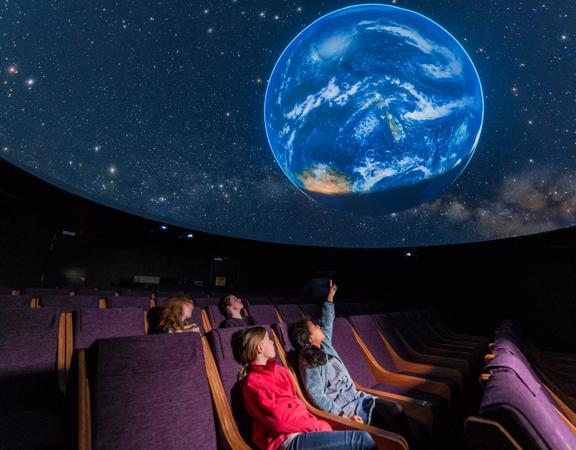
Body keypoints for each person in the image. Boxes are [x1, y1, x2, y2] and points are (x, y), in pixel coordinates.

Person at [289, 280, 416, 445]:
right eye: (314, 326)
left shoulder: (323, 344)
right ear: (309, 338)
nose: (319, 326)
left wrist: (330, 298)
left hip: (356, 397)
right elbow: (317, 395)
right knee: (391, 417)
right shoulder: (308, 360)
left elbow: (327, 322)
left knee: (395, 412)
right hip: (345, 407)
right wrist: (342, 415)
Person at [232, 326, 378, 450]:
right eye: (268, 340)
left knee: (362, 432)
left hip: (305, 430)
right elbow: (280, 421)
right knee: (362, 440)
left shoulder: (280, 371)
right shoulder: (252, 383)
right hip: (284, 440)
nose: (272, 342)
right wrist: (320, 426)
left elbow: (299, 406)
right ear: (260, 348)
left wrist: (341, 420)